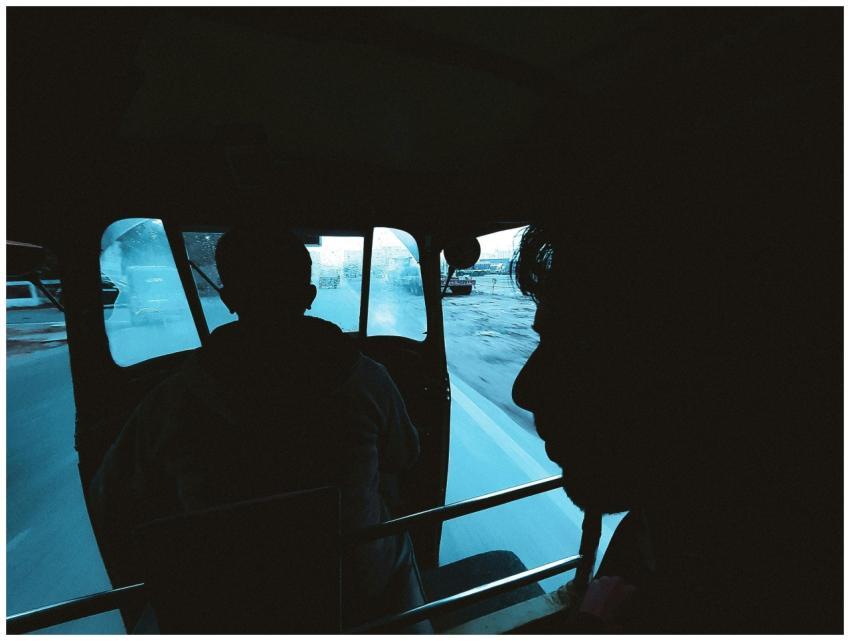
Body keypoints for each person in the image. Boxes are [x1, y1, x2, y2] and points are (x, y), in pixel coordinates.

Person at [89, 226, 422, 627]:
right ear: (308, 296)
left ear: (229, 299)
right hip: (352, 582)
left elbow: (111, 494)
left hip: (227, 594)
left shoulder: (173, 398)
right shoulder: (368, 380)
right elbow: (405, 456)